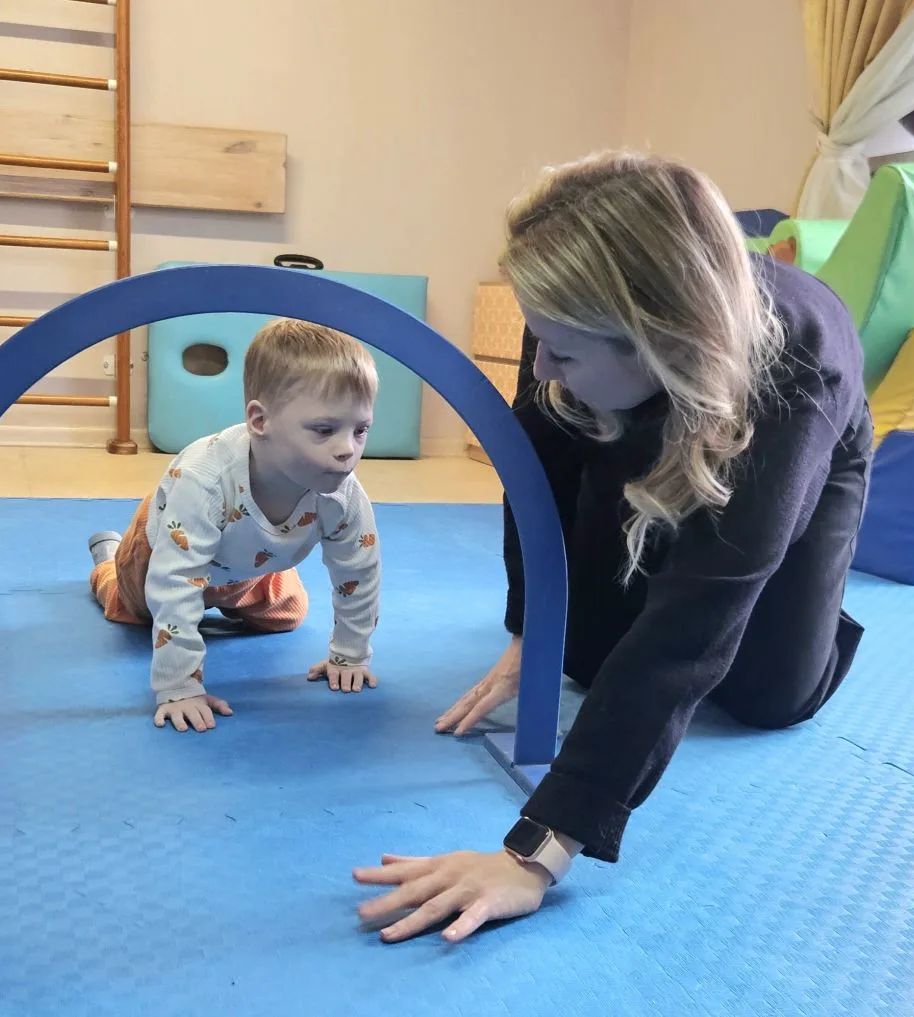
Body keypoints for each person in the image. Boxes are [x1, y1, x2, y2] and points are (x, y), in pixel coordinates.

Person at [354, 151, 873, 943]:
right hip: (646, 399)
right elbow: (534, 469)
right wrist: (533, 631)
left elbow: (696, 620)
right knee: (587, 655)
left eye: (562, 353)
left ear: (657, 343)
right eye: (540, 339)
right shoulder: (569, 320)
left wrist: (535, 852)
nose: (540, 365)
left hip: (797, 439)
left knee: (769, 693)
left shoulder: (795, 376)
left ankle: (807, 610)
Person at [88, 318, 383, 733]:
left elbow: (359, 572)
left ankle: (233, 583)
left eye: (360, 430)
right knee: (132, 609)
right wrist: (179, 686)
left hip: (247, 561)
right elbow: (175, 582)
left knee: (287, 616)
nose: (347, 450)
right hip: (165, 548)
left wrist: (350, 655)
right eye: (324, 430)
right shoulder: (204, 481)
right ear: (260, 421)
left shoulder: (342, 494)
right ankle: (108, 557)